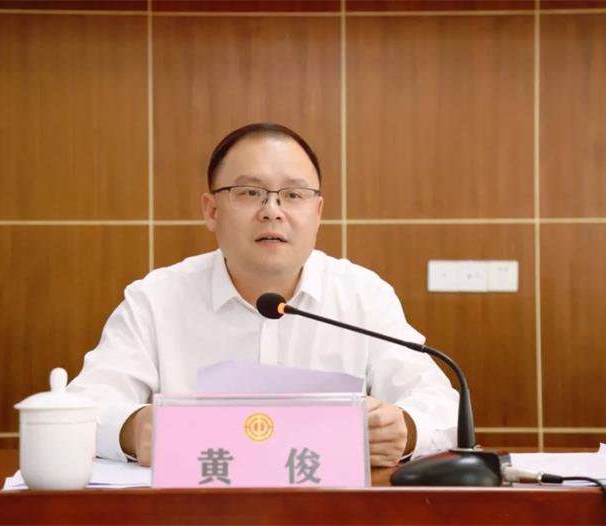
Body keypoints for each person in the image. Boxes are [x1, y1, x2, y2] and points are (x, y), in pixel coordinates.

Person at [68, 123, 458, 468]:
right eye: (250, 192)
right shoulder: (155, 300)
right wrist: (133, 429)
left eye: (293, 195)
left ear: (318, 212)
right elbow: (83, 408)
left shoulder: (363, 295)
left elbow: (443, 406)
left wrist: (404, 429)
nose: (272, 211)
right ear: (211, 211)